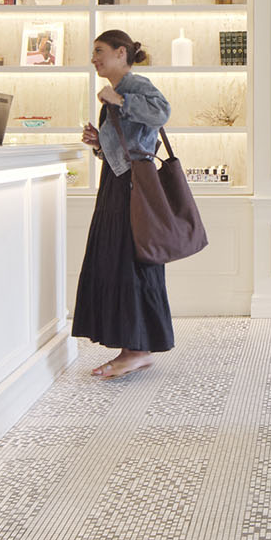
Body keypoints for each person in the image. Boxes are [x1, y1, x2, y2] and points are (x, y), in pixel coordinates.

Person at [72, 29, 176, 378]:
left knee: (133, 263)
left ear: (121, 53)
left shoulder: (134, 85)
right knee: (117, 263)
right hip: (117, 183)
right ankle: (132, 348)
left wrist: (120, 102)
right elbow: (126, 142)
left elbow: (162, 112)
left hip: (134, 186)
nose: (94, 58)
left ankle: (137, 349)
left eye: (100, 51)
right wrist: (98, 144)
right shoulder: (115, 92)